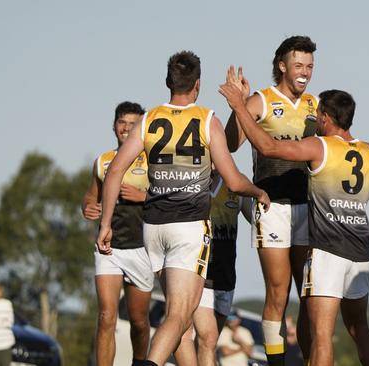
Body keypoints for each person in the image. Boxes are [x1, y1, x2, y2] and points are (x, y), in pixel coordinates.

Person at [224, 36, 369, 364]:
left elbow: (349, 146)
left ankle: (305, 359)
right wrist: (239, 106)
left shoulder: (316, 106)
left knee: (309, 297)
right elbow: (233, 144)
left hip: (309, 208)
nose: (305, 72)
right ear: (282, 66)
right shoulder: (262, 99)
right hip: (272, 205)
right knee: (278, 292)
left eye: (310, 66)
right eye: (299, 65)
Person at [96, 51, 270, 366]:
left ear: (167, 82)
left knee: (182, 320)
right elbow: (231, 179)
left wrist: (106, 222)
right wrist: (257, 190)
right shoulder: (207, 119)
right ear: (198, 85)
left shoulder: (149, 119)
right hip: (189, 228)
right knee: (178, 315)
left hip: (153, 229)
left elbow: (114, 171)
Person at [82, 101, 152, 366]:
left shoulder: (152, 159)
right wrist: (87, 207)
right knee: (106, 317)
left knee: (139, 322)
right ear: (114, 125)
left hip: (141, 248)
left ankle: (139, 362)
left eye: (133, 123)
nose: (126, 128)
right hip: (108, 248)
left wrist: (142, 196)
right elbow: (90, 197)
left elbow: (169, 199)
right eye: (122, 122)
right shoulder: (103, 161)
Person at [193, 169, 252, 366]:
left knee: (207, 342)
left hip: (225, 276)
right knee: (207, 340)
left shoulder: (236, 185)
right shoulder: (192, 183)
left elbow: (259, 220)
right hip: (198, 274)